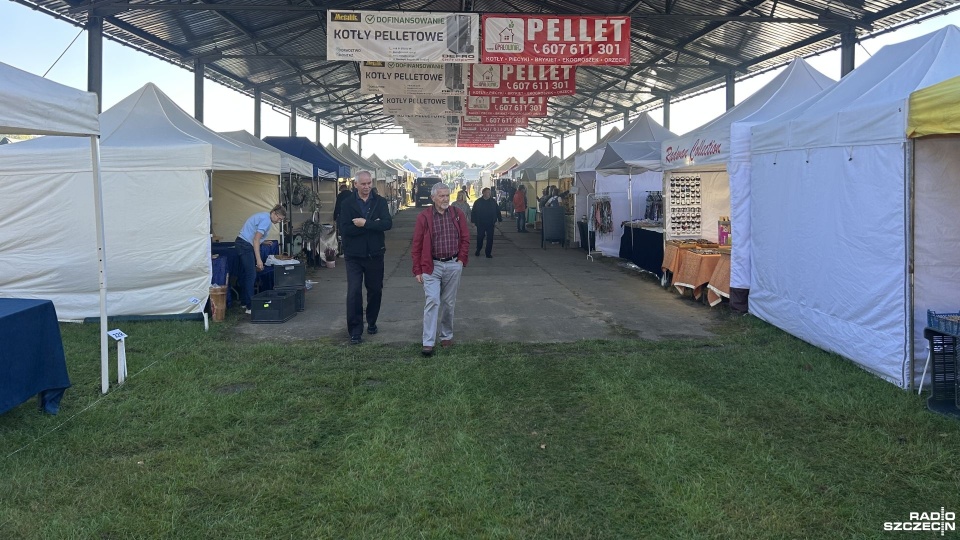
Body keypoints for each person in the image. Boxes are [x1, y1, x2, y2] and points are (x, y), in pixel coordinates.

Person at [411, 182, 470, 357]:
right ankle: (428, 342)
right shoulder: (424, 217)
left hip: (453, 264)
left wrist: (460, 260)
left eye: (447, 195)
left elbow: (466, 238)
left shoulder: (457, 214)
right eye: (441, 196)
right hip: (432, 266)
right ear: (433, 198)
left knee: (448, 303)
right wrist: (417, 270)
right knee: (433, 301)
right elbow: (417, 244)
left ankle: (446, 336)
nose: (445, 199)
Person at [338, 171, 393, 345]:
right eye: (363, 184)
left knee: (375, 290)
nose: (367, 187)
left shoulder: (380, 202)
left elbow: (387, 224)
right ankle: (355, 330)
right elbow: (345, 229)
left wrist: (365, 223)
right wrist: (372, 225)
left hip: (375, 254)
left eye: (369, 183)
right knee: (354, 292)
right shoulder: (347, 204)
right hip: (353, 256)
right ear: (355, 184)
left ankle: (372, 320)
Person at [236, 204, 286, 314]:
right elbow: (255, 240)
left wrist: (263, 241)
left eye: (281, 220)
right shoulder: (266, 221)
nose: (279, 221)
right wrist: (259, 260)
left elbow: (254, 236)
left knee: (247, 274)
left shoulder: (264, 216)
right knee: (251, 275)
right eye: (279, 218)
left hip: (242, 242)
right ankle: (249, 306)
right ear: (274, 213)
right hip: (245, 245)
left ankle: (244, 302)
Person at [471, 187, 502, 258]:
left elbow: (498, 211)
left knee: (490, 238)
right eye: (488, 192)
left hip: (490, 223)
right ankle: (478, 249)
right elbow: (473, 212)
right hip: (481, 223)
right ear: (483, 193)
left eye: (490, 192)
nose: (489, 194)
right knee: (480, 237)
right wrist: (473, 221)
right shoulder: (478, 202)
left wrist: (499, 220)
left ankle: (488, 253)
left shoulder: (493, 201)